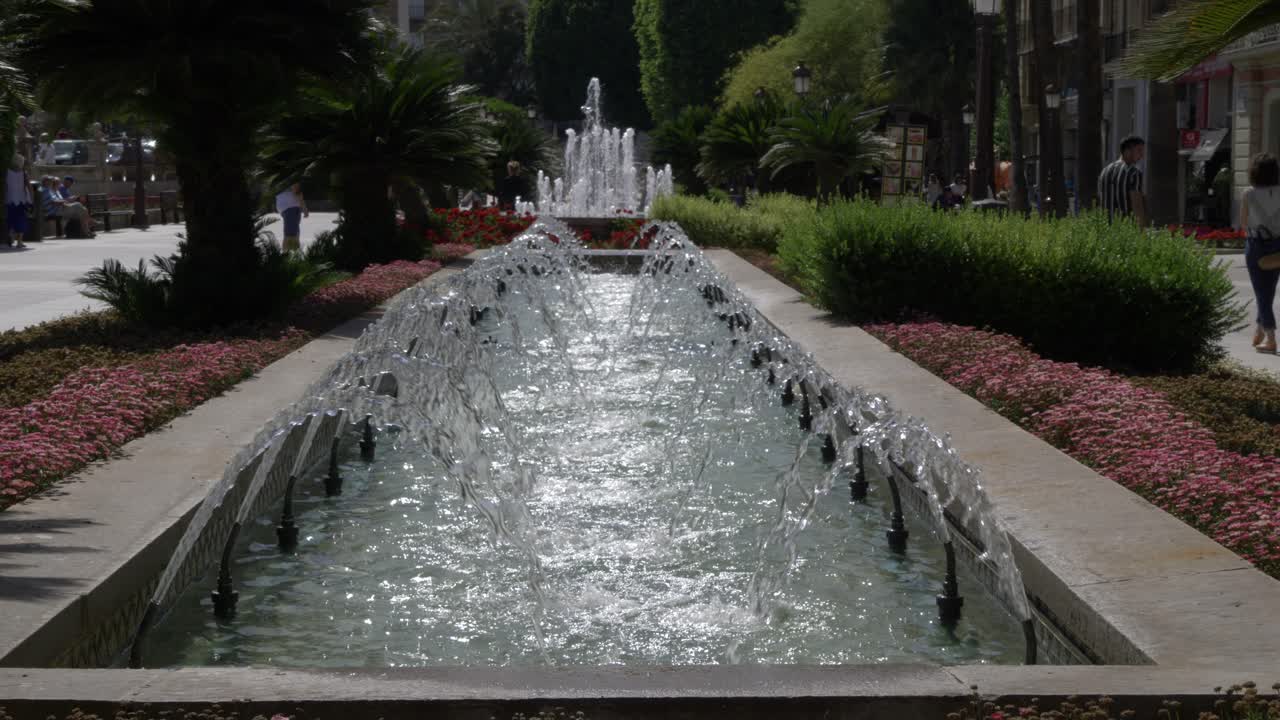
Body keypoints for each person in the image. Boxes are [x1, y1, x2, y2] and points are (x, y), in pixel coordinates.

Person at [1242, 153, 1280, 354]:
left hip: (1257, 244)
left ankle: (1271, 338)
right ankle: (1259, 330)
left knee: (1261, 292)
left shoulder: (1249, 194)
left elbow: (1243, 222)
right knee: (1268, 290)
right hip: (1278, 245)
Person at [1098, 135, 1148, 227]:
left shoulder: (1105, 171)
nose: (1142, 155)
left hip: (1105, 227)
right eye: (1139, 150)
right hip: (1126, 228)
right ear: (1127, 151)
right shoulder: (1134, 173)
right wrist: (1142, 229)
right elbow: (1137, 205)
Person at [5, 154, 30, 248]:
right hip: (21, 199)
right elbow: (28, 186)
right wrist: (30, 198)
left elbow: (5, 186)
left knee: (11, 218)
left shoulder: (7, 172)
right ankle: (19, 241)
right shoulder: (24, 173)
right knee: (21, 220)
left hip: (10, 199)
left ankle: (11, 234)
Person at [275, 183, 308, 252]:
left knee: (292, 234)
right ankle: (289, 255)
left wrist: (304, 208)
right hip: (290, 208)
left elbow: (297, 192)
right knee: (291, 235)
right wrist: (304, 209)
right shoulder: (291, 179)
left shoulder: (284, 181)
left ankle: (291, 254)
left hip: (288, 208)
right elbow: (297, 193)